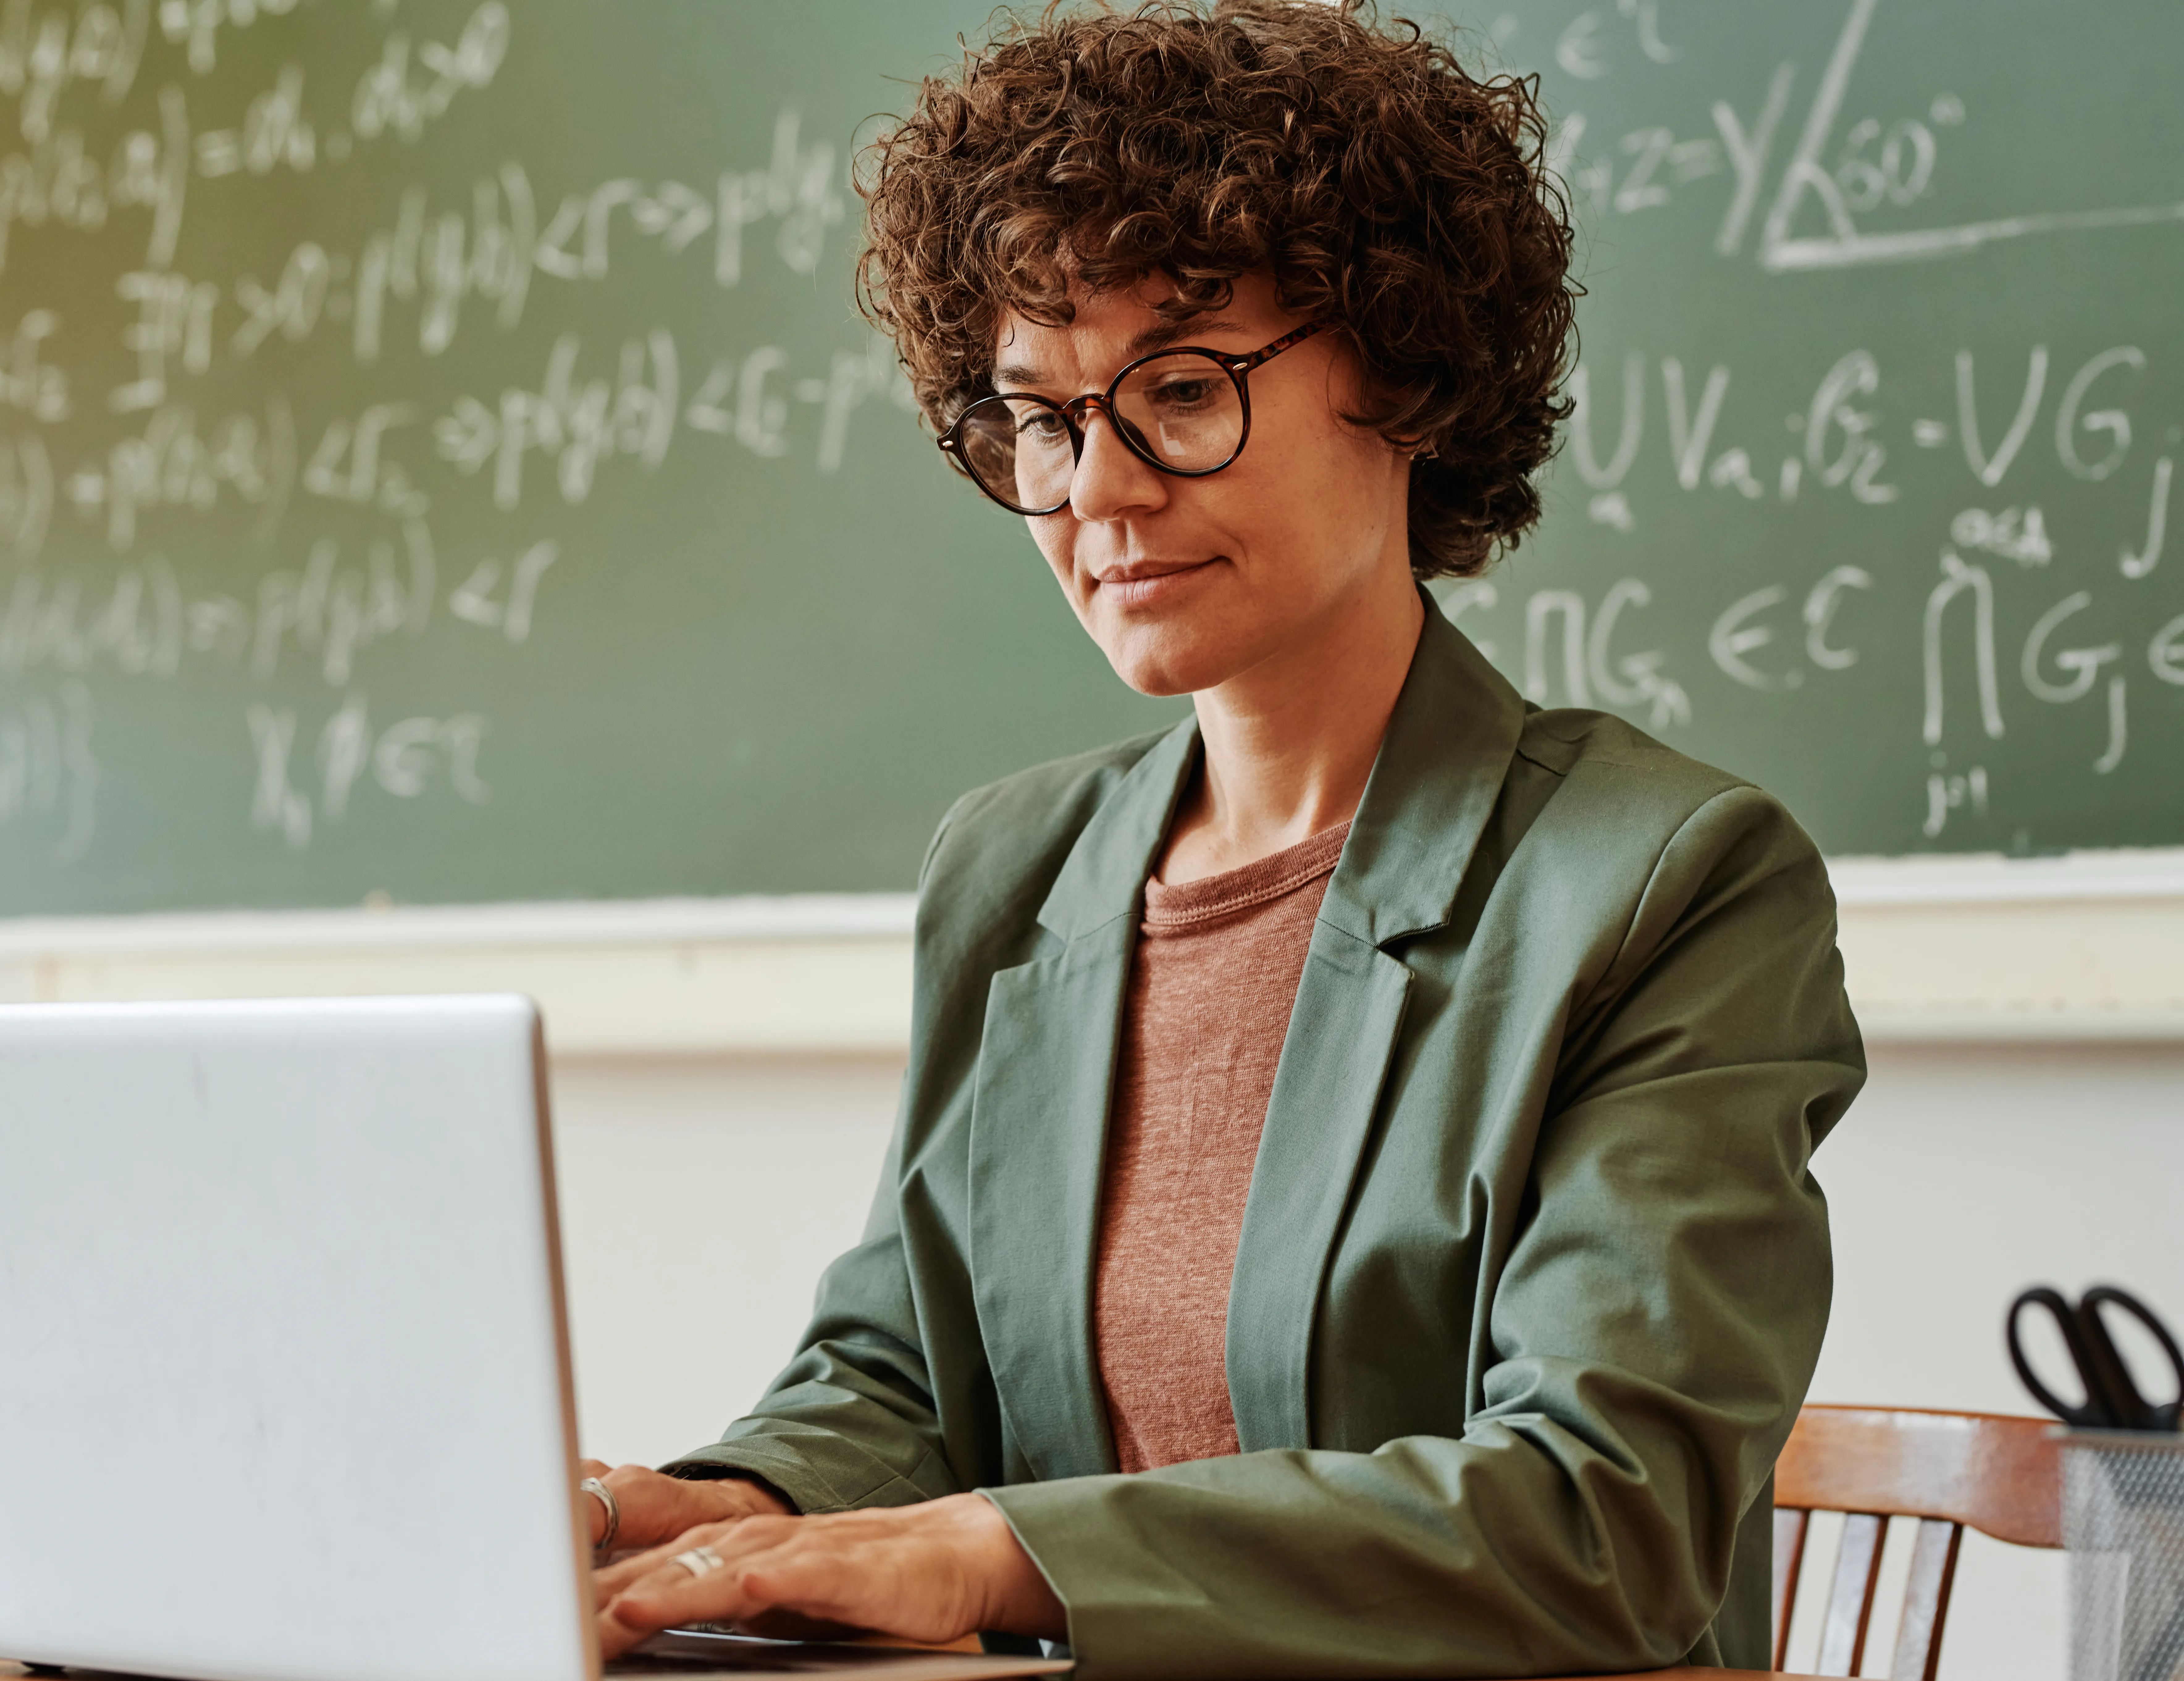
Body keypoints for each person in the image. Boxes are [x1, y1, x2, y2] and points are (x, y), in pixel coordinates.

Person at [582, 4, 1865, 1674]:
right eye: (1040, 418)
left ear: (1408, 378)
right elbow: (902, 1377)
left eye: (1180, 392)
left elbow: (1602, 1521)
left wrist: (1000, 1553)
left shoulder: (1667, 883)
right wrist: (715, 1508)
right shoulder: (1017, 869)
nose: (1096, 492)